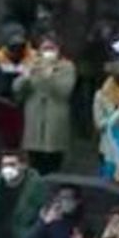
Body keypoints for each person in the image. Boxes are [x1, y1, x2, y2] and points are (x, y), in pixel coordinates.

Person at [15, 33, 78, 174]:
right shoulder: (31, 64)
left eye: (52, 48)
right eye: (45, 48)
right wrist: (25, 77)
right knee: (34, 165)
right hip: (34, 122)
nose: (48, 51)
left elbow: (64, 91)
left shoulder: (67, 67)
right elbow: (18, 91)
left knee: (53, 164)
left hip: (55, 122)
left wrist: (48, 76)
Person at [0, 150, 49, 238]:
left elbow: (40, 218)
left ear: (24, 165)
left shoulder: (37, 189)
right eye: (4, 165)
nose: (7, 168)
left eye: (12, 164)